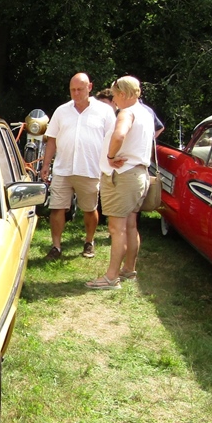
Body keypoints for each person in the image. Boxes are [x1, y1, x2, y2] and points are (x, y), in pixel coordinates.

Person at [86, 75, 154, 289]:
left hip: (123, 176)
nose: (114, 100)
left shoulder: (127, 112)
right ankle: (128, 269)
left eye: (115, 95)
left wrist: (110, 156)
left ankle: (111, 277)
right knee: (131, 225)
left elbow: (119, 135)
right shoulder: (146, 113)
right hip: (139, 175)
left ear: (123, 94)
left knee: (117, 229)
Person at [40, 72, 116, 259]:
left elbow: (113, 139)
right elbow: (52, 139)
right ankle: (56, 246)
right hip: (63, 168)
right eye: (72, 90)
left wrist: (111, 163)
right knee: (57, 208)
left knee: (89, 209)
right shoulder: (61, 111)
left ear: (89, 87)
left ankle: (89, 242)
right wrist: (46, 164)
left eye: (80, 89)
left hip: (90, 169)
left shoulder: (105, 111)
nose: (76, 93)